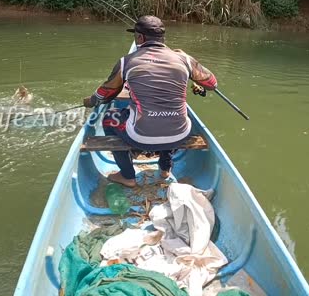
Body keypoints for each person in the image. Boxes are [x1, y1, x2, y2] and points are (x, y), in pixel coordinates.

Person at [83, 16, 217, 187]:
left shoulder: (127, 62)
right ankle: (164, 169)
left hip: (141, 136)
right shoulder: (185, 60)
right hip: (180, 134)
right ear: (162, 38)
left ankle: (128, 176)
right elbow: (212, 84)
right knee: (172, 116)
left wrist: (92, 100)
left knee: (109, 117)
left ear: (140, 38)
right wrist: (189, 60)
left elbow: (106, 94)